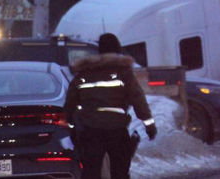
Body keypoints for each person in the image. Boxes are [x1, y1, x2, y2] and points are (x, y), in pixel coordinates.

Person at [64, 33, 157, 179]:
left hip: (90, 130)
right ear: (117, 50)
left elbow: (70, 104)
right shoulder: (124, 73)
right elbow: (138, 99)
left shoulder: (83, 74)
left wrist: (72, 128)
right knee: (120, 171)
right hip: (117, 130)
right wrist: (149, 125)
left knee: (91, 171)